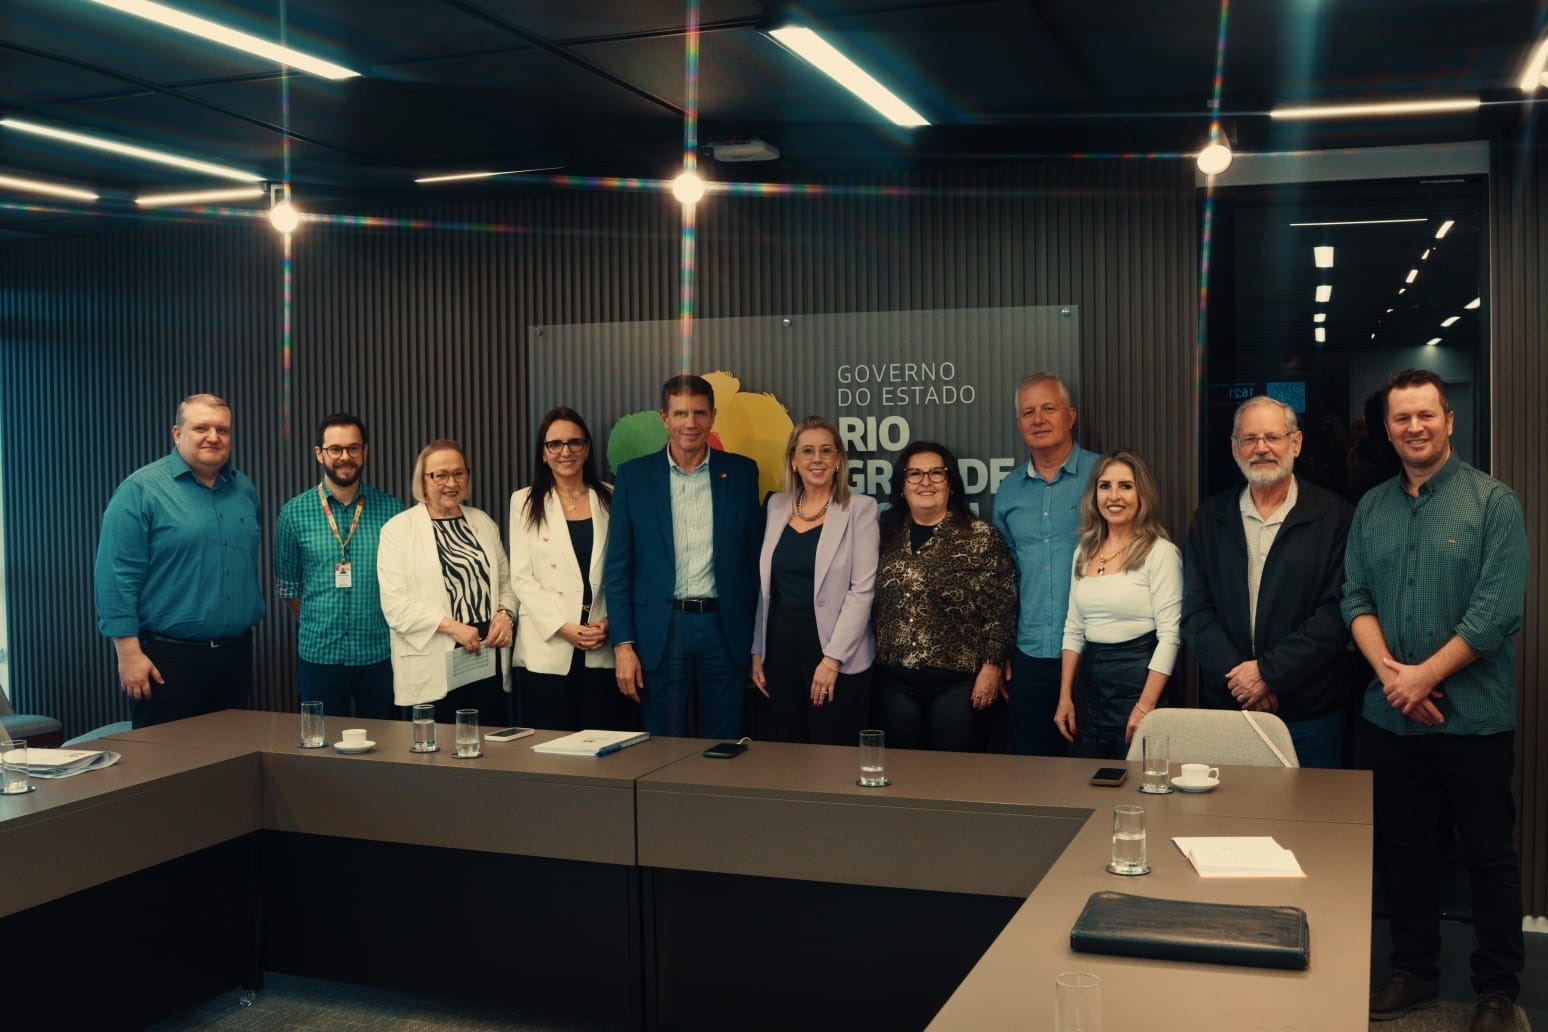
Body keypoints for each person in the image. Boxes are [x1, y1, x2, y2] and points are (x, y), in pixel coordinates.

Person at [1345, 370, 1528, 1031]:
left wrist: (1422, 678)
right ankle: (1415, 971)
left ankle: (1496, 991)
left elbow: (1496, 612)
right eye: (1402, 418)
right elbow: (1355, 598)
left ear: (1449, 420)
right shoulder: (1372, 508)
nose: (1414, 427)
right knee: (1405, 852)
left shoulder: (1493, 503)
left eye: (1426, 415)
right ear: (1387, 429)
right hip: (1391, 719)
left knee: (1488, 857)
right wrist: (1395, 679)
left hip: (1475, 720)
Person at [1181, 396, 1355, 768]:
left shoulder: (1334, 517)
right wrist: (1243, 681)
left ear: (1296, 443)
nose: (1261, 448)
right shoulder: (1210, 518)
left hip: (1311, 715)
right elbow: (1196, 612)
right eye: (1249, 439)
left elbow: (1336, 614)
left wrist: (1267, 674)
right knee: (1232, 807)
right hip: (1231, 709)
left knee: (1312, 807)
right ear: (1234, 449)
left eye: (1273, 437)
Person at [604, 375, 761, 738]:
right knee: (663, 745)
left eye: (700, 413)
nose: (690, 423)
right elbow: (618, 569)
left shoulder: (741, 473)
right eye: (680, 413)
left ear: (713, 416)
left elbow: (753, 563)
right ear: (664, 417)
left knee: (725, 743)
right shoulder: (634, 477)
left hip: (724, 629)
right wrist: (623, 645)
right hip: (660, 631)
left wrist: (756, 643)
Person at [94, 393, 264, 728]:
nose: (213, 437)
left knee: (232, 755)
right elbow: (115, 575)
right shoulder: (140, 490)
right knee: (167, 757)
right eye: (201, 428)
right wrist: (128, 654)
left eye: (222, 429)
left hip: (235, 656)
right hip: (166, 661)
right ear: (177, 433)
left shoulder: (244, 489)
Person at [872, 441, 1016, 752]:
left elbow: (1001, 609)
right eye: (915, 474)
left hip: (959, 683)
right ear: (901, 486)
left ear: (951, 484)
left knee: (954, 773)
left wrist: (992, 667)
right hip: (894, 681)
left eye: (936, 473)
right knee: (902, 772)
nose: (925, 481)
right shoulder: (883, 535)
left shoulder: (980, 538)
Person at [750, 417, 878, 744]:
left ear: (838, 460)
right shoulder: (776, 505)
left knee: (831, 752)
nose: (816, 459)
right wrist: (758, 650)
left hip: (834, 651)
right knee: (788, 750)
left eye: (826, 451)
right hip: (780, 649)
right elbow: (765, 588)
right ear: (793, 460)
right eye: (807, 451)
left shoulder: (860, 509)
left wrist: (832, 659)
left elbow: (862, 591)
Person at [509, 408, 638, 731]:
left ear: (587, 448)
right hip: (548, 645)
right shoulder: (523, 502)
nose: (565, 451)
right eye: (554, 444)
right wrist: (562, 627)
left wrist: (610, 623)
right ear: (543, 453)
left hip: (600, 643)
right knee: (549, 746)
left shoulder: (612, 497)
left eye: (574, 442)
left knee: (601, 742)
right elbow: (522, 578)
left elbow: (626, 571)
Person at [991, 373, 1100, 756]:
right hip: (1031, 655)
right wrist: (1001, 651)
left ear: (1070, 416)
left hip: (1095, 652)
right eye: (1028, 412)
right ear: (1019, 423)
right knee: (1036, 771)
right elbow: (1003, 579)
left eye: (1048, 409)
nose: (1038, 419)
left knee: (1095, 770)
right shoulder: (1009, 490)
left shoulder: (1104, 477)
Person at [274, 414, 403, 719]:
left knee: (385, 741)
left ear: (365, 451)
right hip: (319, 655)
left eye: (353, 448)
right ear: (320, 453)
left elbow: (404, 584)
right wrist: (321, 622)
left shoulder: (392, 510)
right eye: (335, 449)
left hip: (379, 654)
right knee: (322, 744)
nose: (345, 457)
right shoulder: (293, 513)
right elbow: (290, 589)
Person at [1055, 449, 1181, 759]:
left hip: (1139, 693)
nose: (1114, 496)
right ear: (1094, 494)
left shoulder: (1161, 552)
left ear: (1142, 494)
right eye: (1105, 486)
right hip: (1090, 699)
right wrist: (1065, 697)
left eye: (1125, 486)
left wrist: (1145, 707)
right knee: (1087, 783)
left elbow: (1170, 636)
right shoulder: (1083, 551)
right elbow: (1073, 629)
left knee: (1140, 784)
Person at [378, 439, 515, 723]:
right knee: (439, 743)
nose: (451, 483)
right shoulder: (398, 530)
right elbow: (395, 605)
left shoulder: (483, 522)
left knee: (490, 740)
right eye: (440, 475)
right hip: (436, 652)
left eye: (458, 473)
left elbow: (506, 583)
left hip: (486, 651)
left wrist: (505, 615)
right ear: (423, 480)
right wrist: (454, 628)